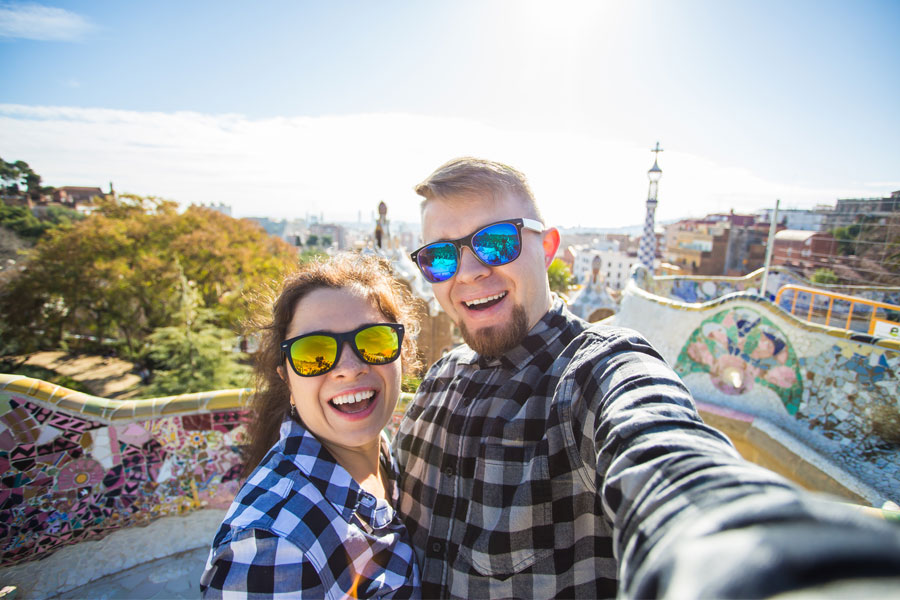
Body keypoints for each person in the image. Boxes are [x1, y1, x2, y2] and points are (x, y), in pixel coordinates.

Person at [395, 157, 900, 599]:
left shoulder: (595, 371)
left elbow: (665, 457)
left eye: (497, 242)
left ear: (547, 247)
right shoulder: (439, 383)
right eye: (440, 257)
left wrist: (748, 553)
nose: (468, 272)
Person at [201, 254, 422, 599]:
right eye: (314, 353)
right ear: (286, 380)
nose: (349, 367)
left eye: (374, 341)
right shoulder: (272, 547)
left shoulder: (385, 454)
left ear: (402, 355)